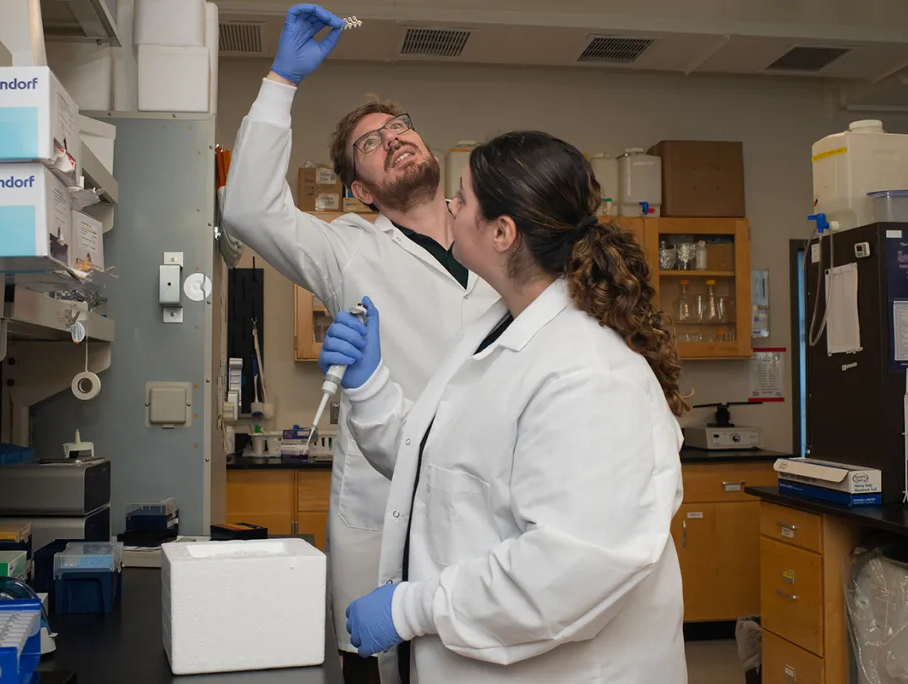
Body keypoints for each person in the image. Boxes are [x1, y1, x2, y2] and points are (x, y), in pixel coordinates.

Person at [318, 131, 689, 684]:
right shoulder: (495, 332)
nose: (449, 206)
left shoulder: (588, 374)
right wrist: (370, 385)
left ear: (502, 231)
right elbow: (440, 469)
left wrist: (412, 609)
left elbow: (567, 570)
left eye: (462, 198)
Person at [221, 5, 498, 681]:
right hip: (388, 514)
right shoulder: (346, 250)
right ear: (359, 190)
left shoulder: (497, 233)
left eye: (400, 128)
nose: (393, 139)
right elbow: (247, 209)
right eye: (371, 144)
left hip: (489, 501)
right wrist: (283, 78)